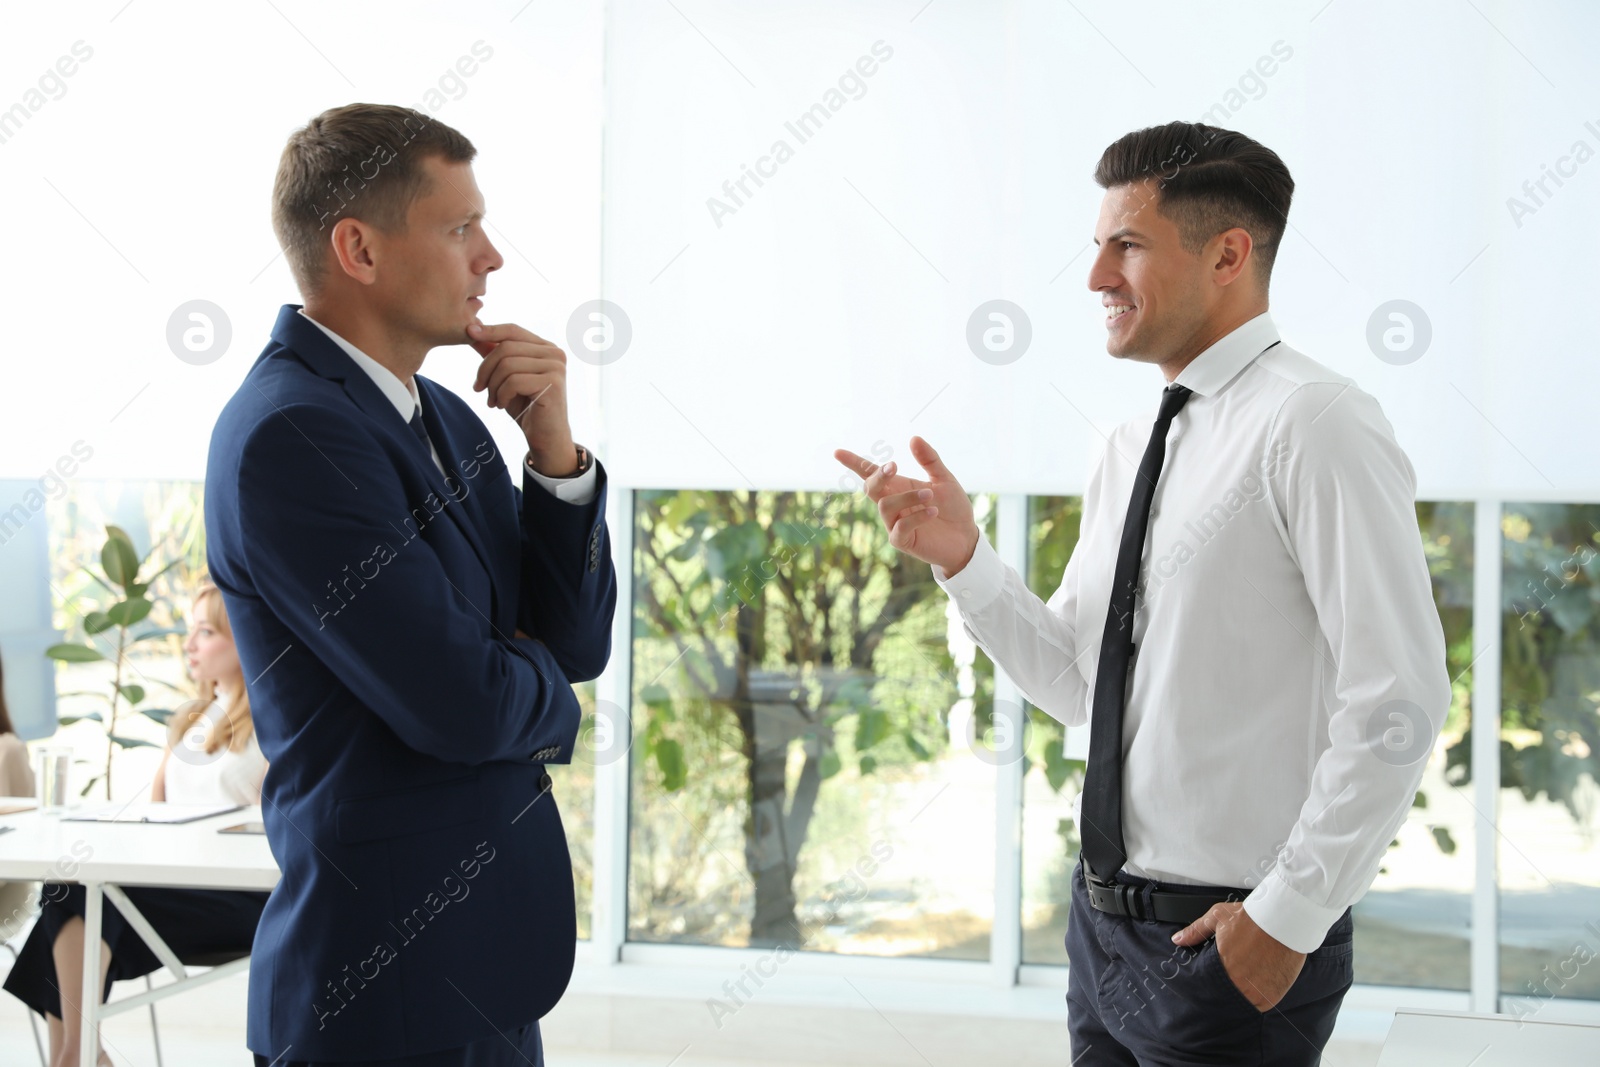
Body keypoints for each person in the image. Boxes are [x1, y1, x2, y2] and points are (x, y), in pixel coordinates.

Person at [836, 121, 1450, 1065]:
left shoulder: (1316, 423)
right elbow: (1084, 687)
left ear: (1228, 255)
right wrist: (968, 562)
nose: (1094, 280)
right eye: (1096, 248)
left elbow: (1399, 697)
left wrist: (1285, 919)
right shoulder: (1125, 446)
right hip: (1103, 934)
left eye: (1126, 246)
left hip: (1233, 939)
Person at [204, 103, 617, 1066]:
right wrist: (543, 692)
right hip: (381, 998)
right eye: (461, 226)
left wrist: (555, 454)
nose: (492, 257)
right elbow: (465, 706)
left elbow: (575, 643)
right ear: (359, 248)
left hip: (483, 977)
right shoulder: (292, 437)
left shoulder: (447, 414)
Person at [3, 582, 271, 1067]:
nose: (189, 644)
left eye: (206, 632)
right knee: (67, 891)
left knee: (75, 900)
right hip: (173, 885)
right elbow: (156, 813)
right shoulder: (191, 721)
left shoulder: (272, 728)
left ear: (244, 638)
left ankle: (77, 1056)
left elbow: (274, 831)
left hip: (241, 895)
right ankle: (82, 1054)